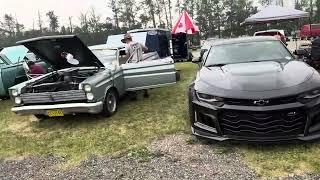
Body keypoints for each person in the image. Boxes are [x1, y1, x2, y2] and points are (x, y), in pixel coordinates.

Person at [121, 33, 149, 99]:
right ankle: (145, 92)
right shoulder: (139, 43)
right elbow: (146, 49)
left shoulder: (128, 46)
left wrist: (123, 61)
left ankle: (134, 95)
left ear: (126, 39)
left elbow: (127, 56)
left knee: (133, 79)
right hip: (141, 62)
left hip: (133, 64)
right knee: (143, 77)